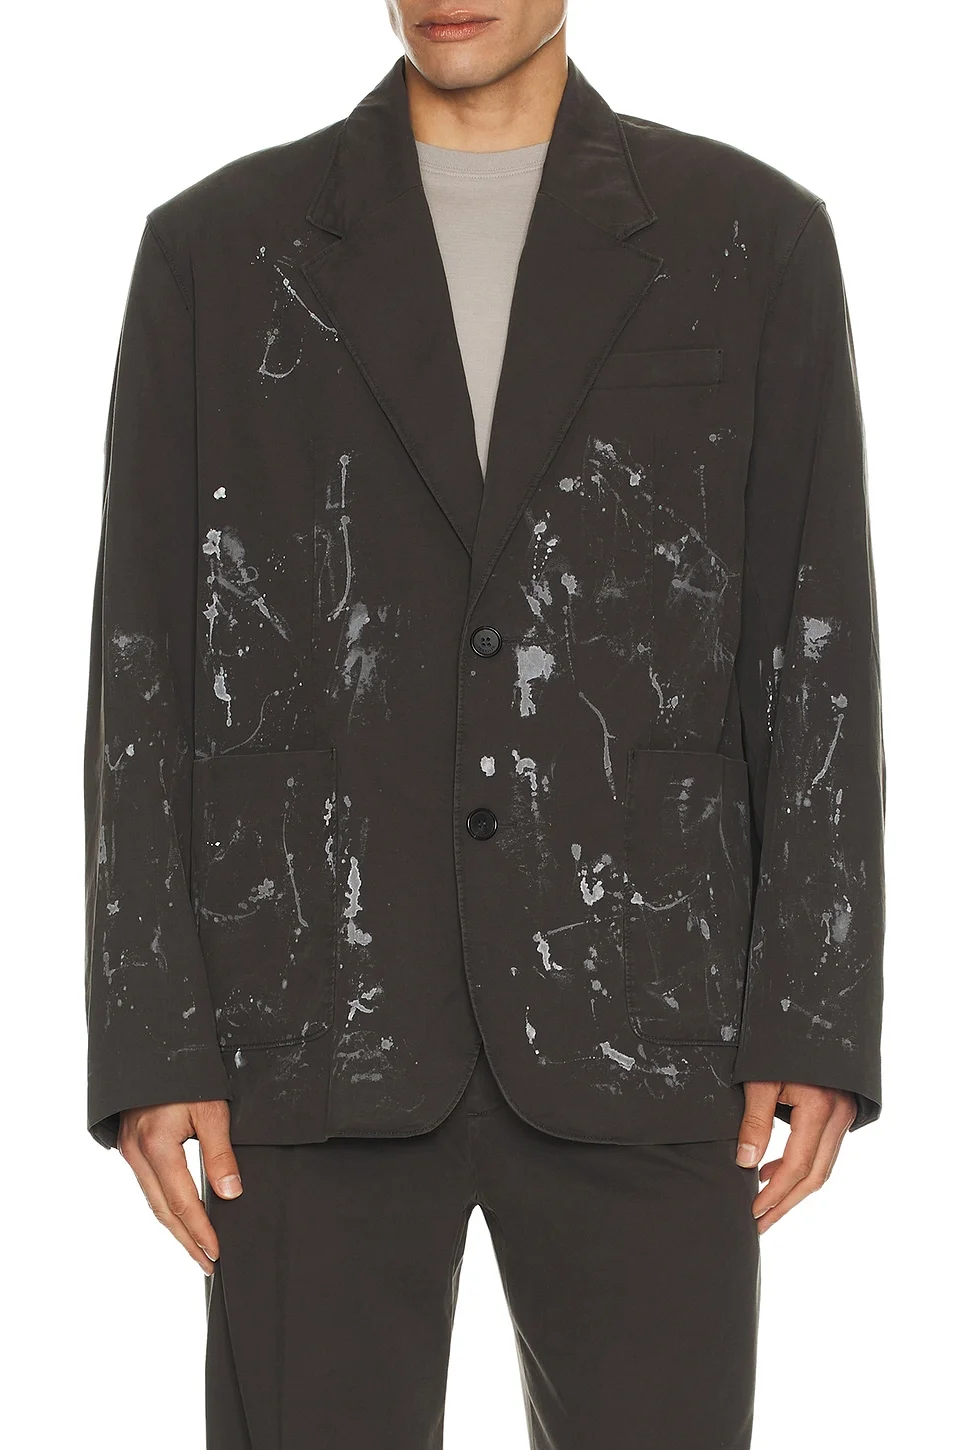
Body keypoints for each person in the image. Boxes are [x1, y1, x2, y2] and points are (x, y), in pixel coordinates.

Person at [83, 3, 885, 1446]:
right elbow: (141, 655)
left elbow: (813, 631)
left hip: (648, 1004)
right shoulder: (218, 249)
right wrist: (153, 1037)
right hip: (309, 1010)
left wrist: (813, 1009)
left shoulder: (751, 238)